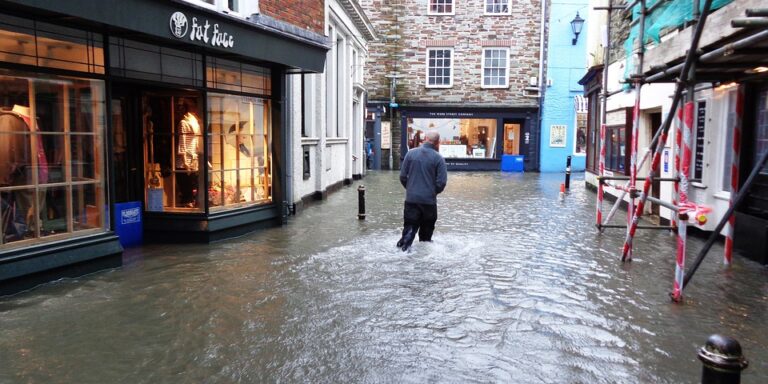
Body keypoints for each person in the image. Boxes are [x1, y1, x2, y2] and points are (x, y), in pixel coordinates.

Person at [396, 130, 448, 251]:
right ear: (438, 143)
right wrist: (431, 192)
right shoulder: (439, 159)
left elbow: (402, 176)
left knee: (409, 231)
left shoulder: (410, 154)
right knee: (426, 239)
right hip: (429, 203)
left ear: (424, 139)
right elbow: (441, 183)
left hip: (411, 200)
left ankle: (403, 252)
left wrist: (410, 189)